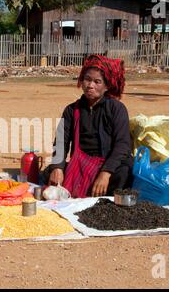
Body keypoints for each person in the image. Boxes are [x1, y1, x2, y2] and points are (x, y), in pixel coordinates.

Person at [44, 54, 133, 198]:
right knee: (50, 173)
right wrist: (58, 167)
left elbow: (122, 145)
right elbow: (60, 142)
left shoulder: (117, 109)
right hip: (80, 165)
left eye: (97, 81)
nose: (90, 85)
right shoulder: (71, 110)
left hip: (107, 165)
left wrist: (105, 173)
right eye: (87, 79)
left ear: (106, 86)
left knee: (123, 173)